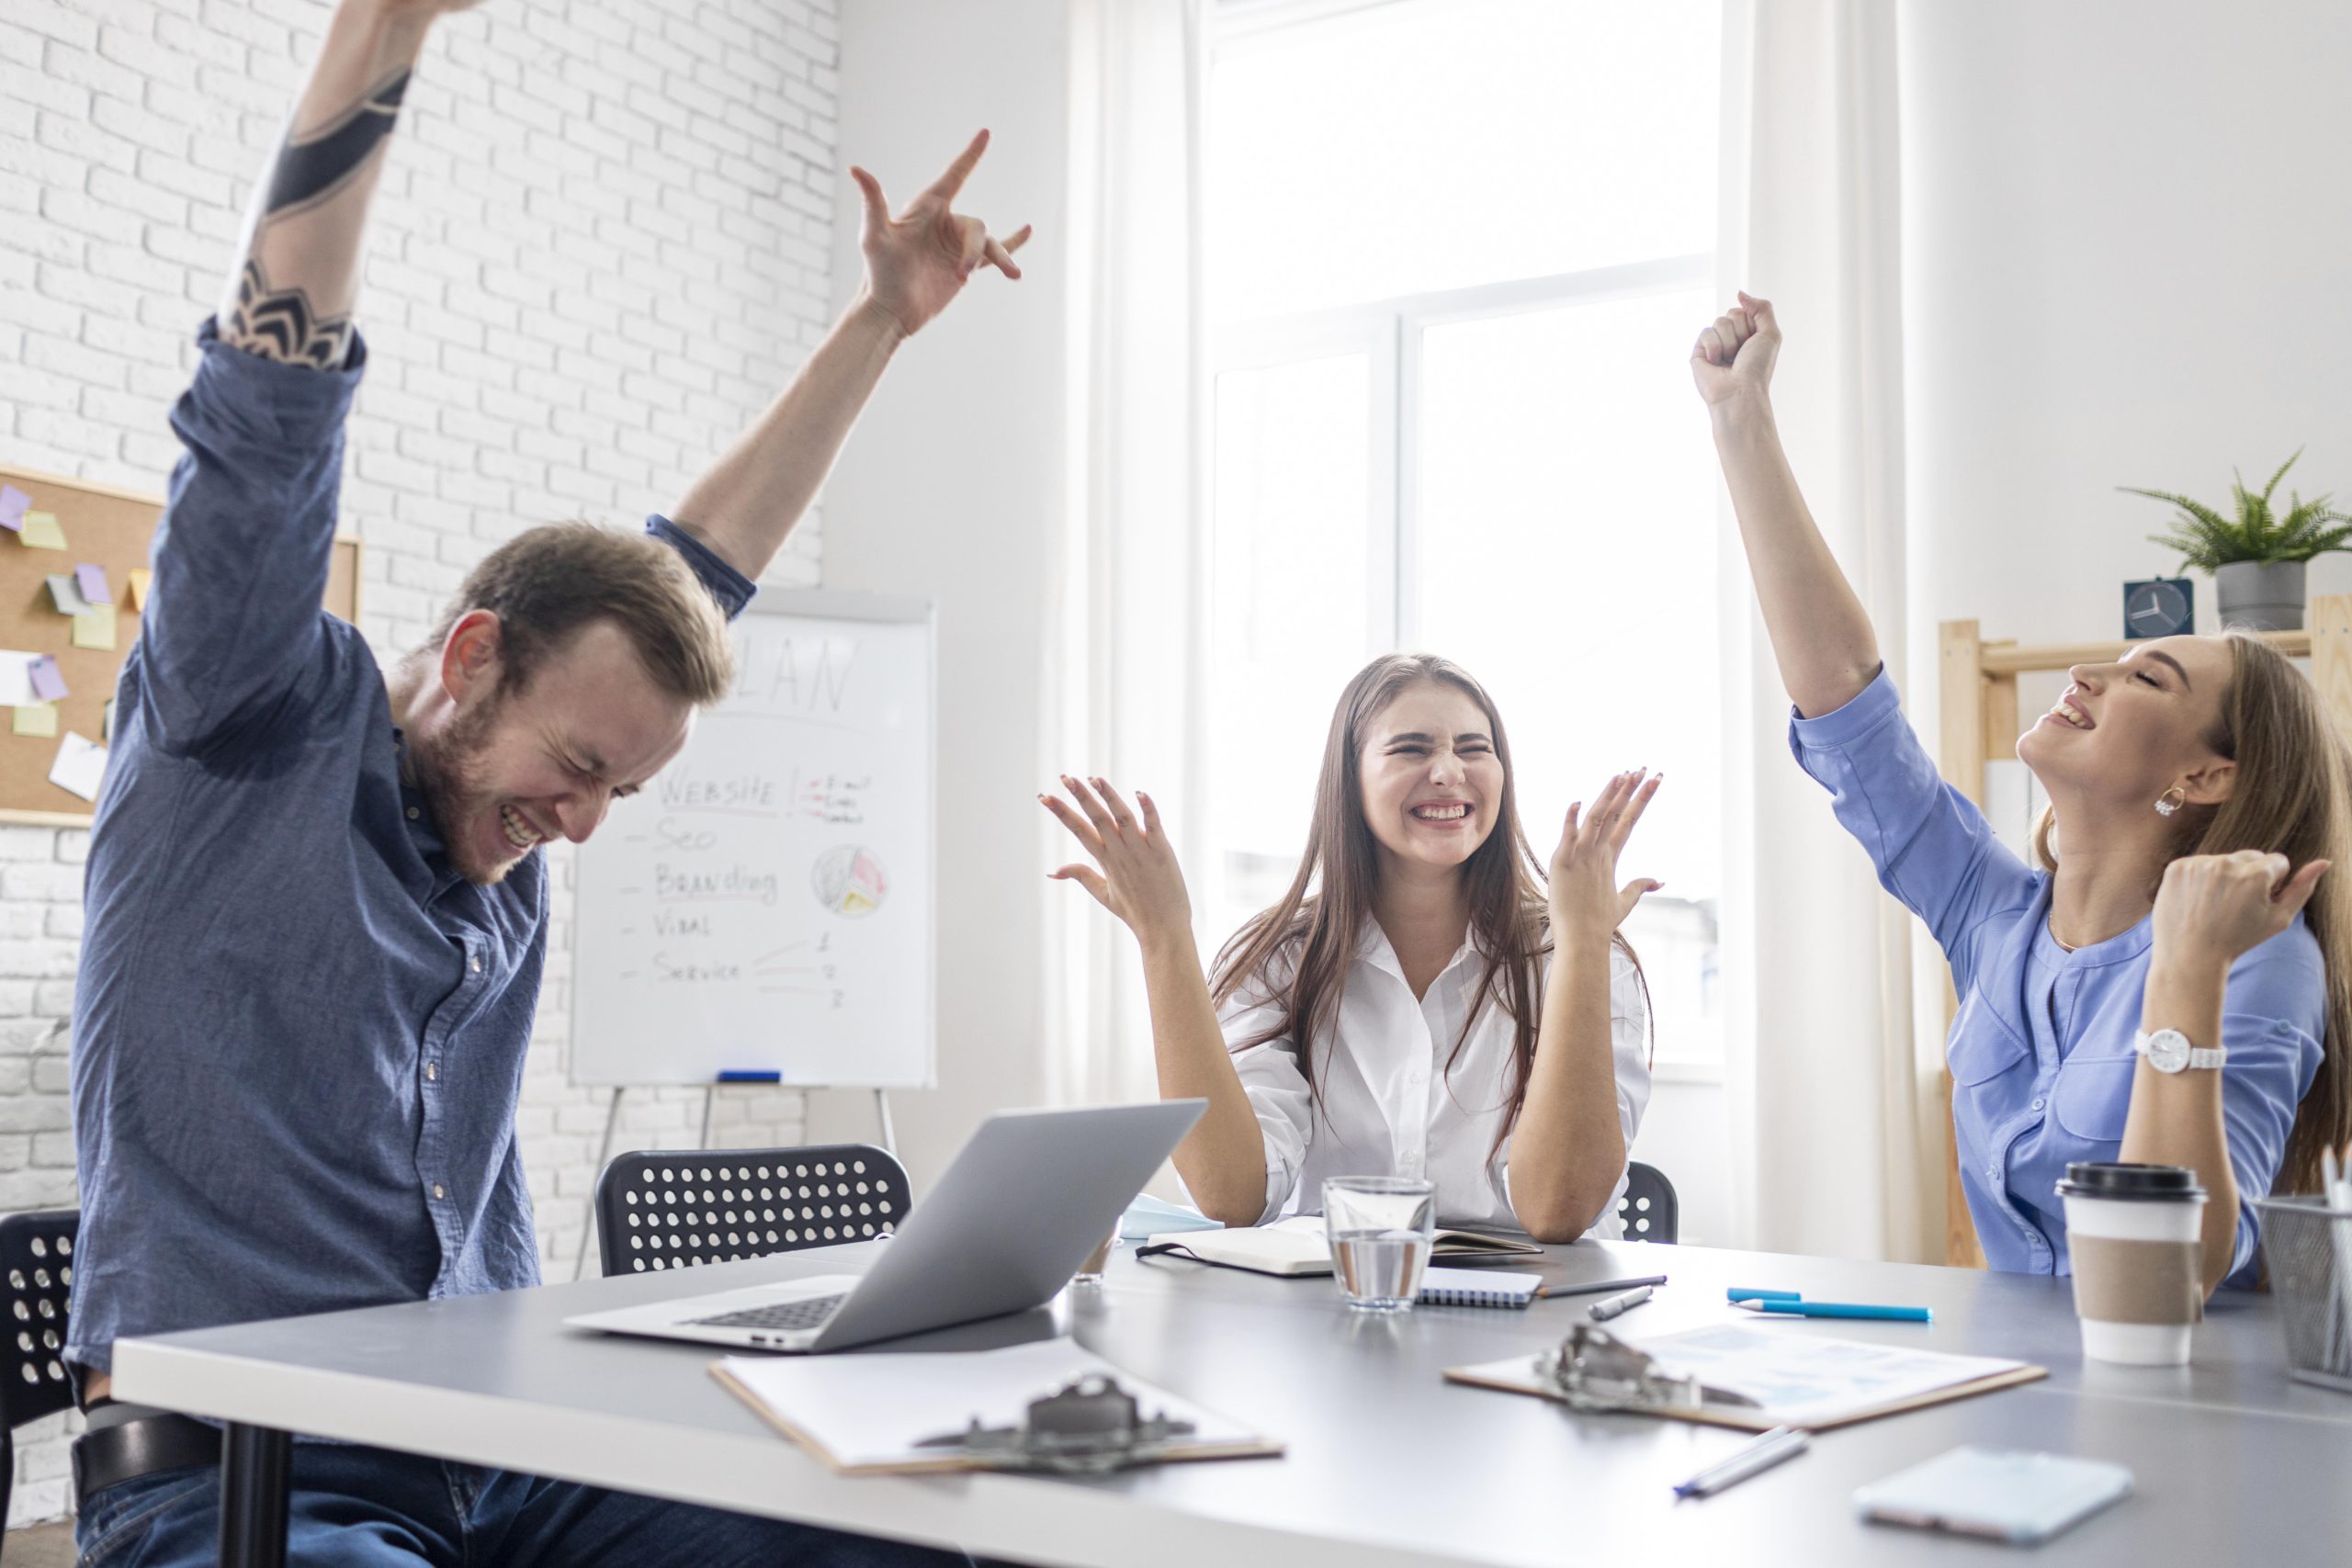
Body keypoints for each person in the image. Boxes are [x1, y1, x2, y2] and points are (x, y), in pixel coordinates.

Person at [66, 0, 1024, 1561]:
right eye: (575, 769)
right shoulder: (241, 722)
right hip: (240, 1476)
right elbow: (264, 412)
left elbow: (707, 566)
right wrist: (381, 32)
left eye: (615, 800)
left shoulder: (514, 812)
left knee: (918, 1535)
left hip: (499, 1451)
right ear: (469, 652)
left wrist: (881, 326)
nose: (577, 824)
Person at [1693, 290, 2352, 1293]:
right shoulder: (1995, 917)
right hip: (2019, 1390)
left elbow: (2170, 1274)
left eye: (2147, 678)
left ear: (2206, 775)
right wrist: (1740, 419)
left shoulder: (2258, 962)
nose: (2088, 676)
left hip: (2194, 1412)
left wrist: (2182, 966)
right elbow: (1843, 705)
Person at [1043, 653, 1655, 1242]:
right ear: (1349, 780)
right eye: (1412, 748)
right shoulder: (1277, 963)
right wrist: (1163, 937)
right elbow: (1231, 1194)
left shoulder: (1579, 952)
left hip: (1541, 1326)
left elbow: (1559, 1209)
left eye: (1474, 748)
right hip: (1336, 1316)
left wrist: (1581, 945)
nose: (1448, 771)